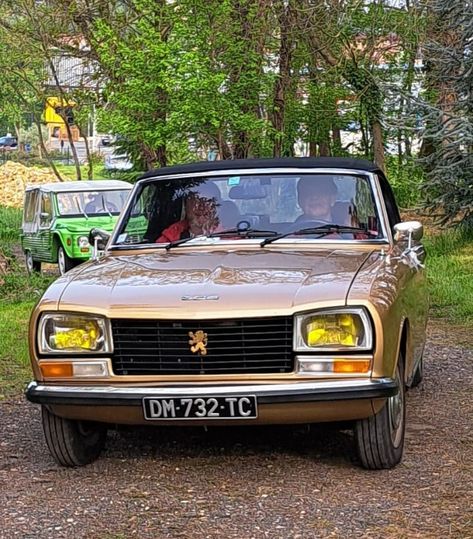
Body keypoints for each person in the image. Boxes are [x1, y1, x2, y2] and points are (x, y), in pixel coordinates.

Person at [156, 182, 222, 243]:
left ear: (215, 208)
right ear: (186, 206)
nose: (201, 208)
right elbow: (157, 252)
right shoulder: (172, 234)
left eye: (207, 202)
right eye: (196, 202)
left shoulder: (227, 234)